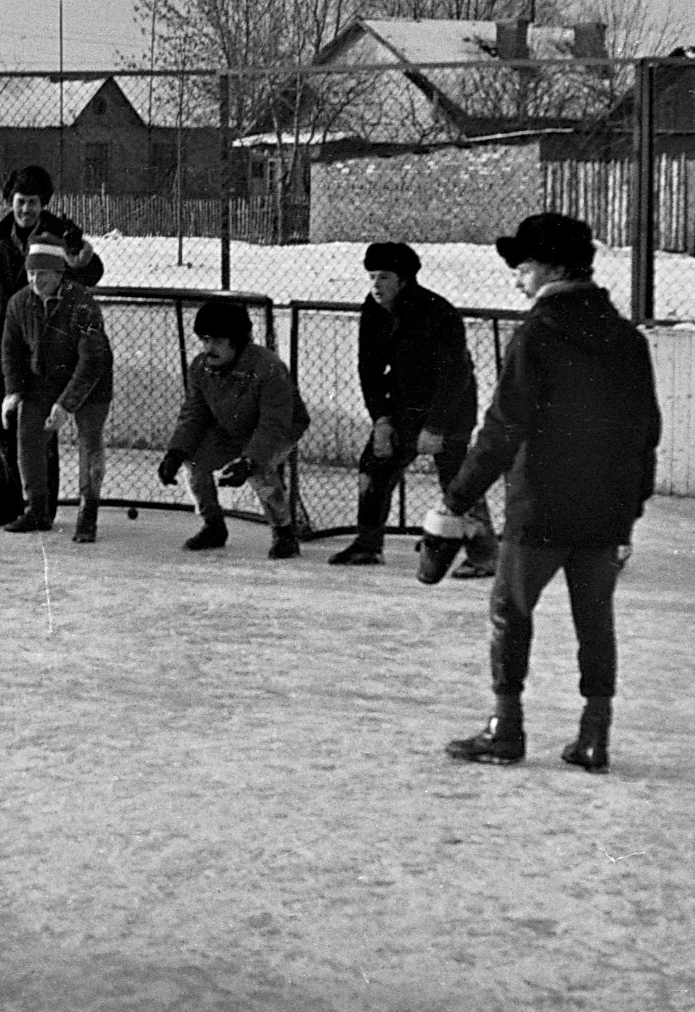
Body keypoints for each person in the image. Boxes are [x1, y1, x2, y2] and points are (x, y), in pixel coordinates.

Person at [435, 212, 661, 773]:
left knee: (510, 610)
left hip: (542, 505)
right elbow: (645, 429)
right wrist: (629, 508)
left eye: (524, 268)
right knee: (595, 618)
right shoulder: (627, 338)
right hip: (605, 508)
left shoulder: (537, 334)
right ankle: (594, 735)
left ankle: (506, 728)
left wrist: (458, 497)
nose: (518, 279)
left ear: (553, 268)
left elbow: (503, 429)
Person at [329, 241, 498, 575]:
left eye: (384, 277)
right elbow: (369, 369)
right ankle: (368, 544)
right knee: (374, 464)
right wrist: (381, 420)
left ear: (403, 279)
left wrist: (436, 427)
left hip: (451, 405)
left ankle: (484, 554)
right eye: (372, 276)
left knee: (457, 480)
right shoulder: (373, 309)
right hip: (404, 402)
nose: (376, 284)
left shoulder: (438, 312)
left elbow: (455, 374)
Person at [0, 164, 104, 526]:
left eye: (34, 203)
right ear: (11, 200)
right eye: (21, 202)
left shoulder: (58, 233)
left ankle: (40, 506)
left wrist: (77, 251)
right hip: (6, 346)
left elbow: (92, 274)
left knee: (41, 429)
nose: (26, 210)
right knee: (4, 427)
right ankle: (4, 502)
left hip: (49, 345)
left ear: (44, 204)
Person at [157, 297, 311, 560]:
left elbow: (274, 424)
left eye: (217, 340)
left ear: (236, 340)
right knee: (194, 462)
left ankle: (284, 532)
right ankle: (213, 525)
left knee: (260, 471)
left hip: (280, 428)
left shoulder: (268, 368)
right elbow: (194, 413)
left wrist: (249, 462)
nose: (208, 348)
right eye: (205, 340)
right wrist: (176, 451)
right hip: (232, 425)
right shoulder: (201, 367)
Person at [0, 232, 113, 541]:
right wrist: (13, 391)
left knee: (89, 441)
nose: (36, 279)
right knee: (28, 432)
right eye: (32, 272)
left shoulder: (84, 304)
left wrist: (66, 405)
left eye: (44, 273)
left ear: (60, 272)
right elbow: (10, 350)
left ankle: (88, 512)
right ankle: (37, 509)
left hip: (90, 385)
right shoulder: (18, 303)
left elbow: (92, 360)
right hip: (44, 382)